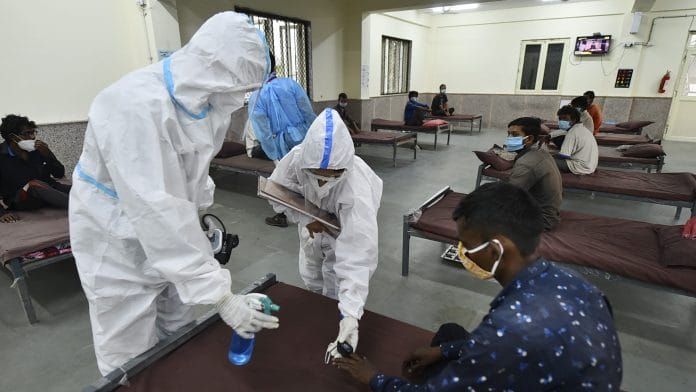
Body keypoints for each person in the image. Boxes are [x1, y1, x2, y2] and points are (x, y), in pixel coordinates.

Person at [69, 12, 279, 375]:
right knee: (127, 347)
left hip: (170, 229)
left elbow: (192, 177)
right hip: (115, 236)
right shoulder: (132, 104)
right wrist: (223, 296)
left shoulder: (207, 104)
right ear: (218, 71)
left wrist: (199, 224)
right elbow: (154, 207)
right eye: (240, 86)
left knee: (179, 323)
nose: (241, 97)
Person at [334, 182, 623, 391]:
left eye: (466, 245)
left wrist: (372, 377)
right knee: (449, 335)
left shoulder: (509, 327)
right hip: (565, 375)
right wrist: (445, 352)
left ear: (497, 250)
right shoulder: (573, 283)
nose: (462, 251)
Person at [267, 108, 382, 363]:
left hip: (339, 239)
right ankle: (317, 325)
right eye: (317, 175)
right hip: (309, 235)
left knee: (335, 289)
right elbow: (277, 195)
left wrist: (351, 315)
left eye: (332, 176)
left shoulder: (356, 185)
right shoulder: (297, 159)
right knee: (310, 281)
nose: (323, 182)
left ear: (344, 168)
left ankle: (337, 326)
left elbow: (358, 252)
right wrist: (307, 218)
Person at [249, 52, 316, 228]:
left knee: (283, 180)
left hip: (281, 144)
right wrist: (313, 136)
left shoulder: (257, 96)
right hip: (303, 136)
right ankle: (316, 211)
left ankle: (283, 215)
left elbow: (262, 131)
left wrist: (273, 154)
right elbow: (308, 112)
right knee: (308, 174)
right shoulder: (291, 84)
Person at [0, 114, 70, 223]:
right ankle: (79, 207)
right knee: (34, 185)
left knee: (78, 188)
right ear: (12, 137)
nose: (32, 137)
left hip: (48, 191)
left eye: (33, 132)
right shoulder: (2, 156)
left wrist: (48, 155)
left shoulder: (38, 149)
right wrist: (2, 213)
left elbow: (59, 174)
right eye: (27, 133)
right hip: (21, 199)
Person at [504, 117, 562, 231]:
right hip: (546, 212)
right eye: (508, 134)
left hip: (540, 220)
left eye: (515, 135)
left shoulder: (526, 164)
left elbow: (508, 198)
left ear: (529, 138)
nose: (509, 139)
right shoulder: (541, 152)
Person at [555, 105, 599, 175]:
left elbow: (563, 155)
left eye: (565, 118)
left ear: (574, 119)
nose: (561, 121)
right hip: (590, 166)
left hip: (580, 167)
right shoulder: (583, 129)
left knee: (546, 162)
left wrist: (549, 156)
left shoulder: (572, 133)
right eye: (560, 119)